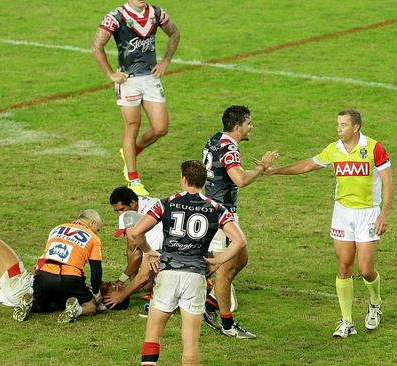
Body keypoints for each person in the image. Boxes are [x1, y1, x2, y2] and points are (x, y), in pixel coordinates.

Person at [261, 109, 393, 338]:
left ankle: (375, 302)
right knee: (344, 266)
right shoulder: (334, 150)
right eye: (338, 125)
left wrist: (384, 214)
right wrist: (274, 172)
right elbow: (306, 165)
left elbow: (388, 183)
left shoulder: (374, 148)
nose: (338, 129)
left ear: (356, 127)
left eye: (343, 125)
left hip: (368, 214)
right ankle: (347, 321)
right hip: (342, 213)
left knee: (365, 270)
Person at [127, 160, 247, 366]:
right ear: (204, 182)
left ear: (184, 179)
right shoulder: (217, 209)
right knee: (190, 343)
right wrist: (218, 260)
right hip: (195, 277)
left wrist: (149, 252)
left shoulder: (166, 203)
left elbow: (135, 232)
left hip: (168, 273)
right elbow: (240, 241)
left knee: (153, 336)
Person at [201, 105, 278, 338]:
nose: (251, 127)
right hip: (221, 216)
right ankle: (227, 325)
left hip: (219, 210)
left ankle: (210, 302)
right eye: (248, 123)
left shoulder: (214, 140)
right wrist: (261, 168)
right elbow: (240, 180)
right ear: (237, 127)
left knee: (241, 258)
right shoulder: (230, 150)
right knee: (224, 271)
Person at [92, 0, 180, 196]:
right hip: (128, 80)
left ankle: (130, 152)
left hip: (150, 78)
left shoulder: (156, 13)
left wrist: (166, 60)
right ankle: (133, 179)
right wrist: (110, 73)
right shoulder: (116, 17)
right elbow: (97, 45)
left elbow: (174, 33)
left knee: (160, 128)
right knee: (132, 126)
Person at [32, 209, 106, 323]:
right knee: (91, 306)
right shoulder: (93, 238)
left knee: (43, 304)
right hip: (70, 278)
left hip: (44, 275)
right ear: (92, 222)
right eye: (98, 229)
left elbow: (42, 259)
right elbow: (96, 271)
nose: (96, 232)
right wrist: (96, 293)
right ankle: (77, 310)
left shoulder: (56, 229)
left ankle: (32, 303)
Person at [107, 187, 163, 311]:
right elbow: (131, 250)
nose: (120, 214)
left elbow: (144, 275)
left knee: (147, 283)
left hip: (175, 251)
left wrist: (122, 294)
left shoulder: (154, 233)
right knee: (144, 284)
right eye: (117, 211)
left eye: (121, 209)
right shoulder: (131, 213)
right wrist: (130, 278)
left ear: (133, 203)